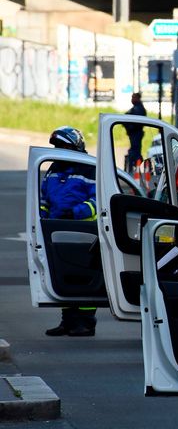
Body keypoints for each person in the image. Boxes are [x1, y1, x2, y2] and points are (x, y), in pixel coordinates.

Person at [42, 126, 98, 337]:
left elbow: (96, 200)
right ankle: (67, 321)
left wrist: (75, 213)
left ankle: (85, 323)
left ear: (74, 146)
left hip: (84, 231)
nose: (59, 150)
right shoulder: (53, 169)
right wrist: (41, 218)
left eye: (63, 146)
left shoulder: (88, 168)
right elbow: (44, 199)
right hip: (55, 231)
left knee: (83, 276)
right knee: (63, 276)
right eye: (57, 146)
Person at [125, 92, 147, 170]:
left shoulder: (138, 109)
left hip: (136, 133)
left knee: (135, 152)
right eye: (132, 97)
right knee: (135, 151)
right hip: (134, 134)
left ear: (138, 98)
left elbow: (136, 123)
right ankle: (139, 167)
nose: (132, 99)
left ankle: (140, 168)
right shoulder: (136, 108)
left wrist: (129, 126)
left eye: (134, 97)